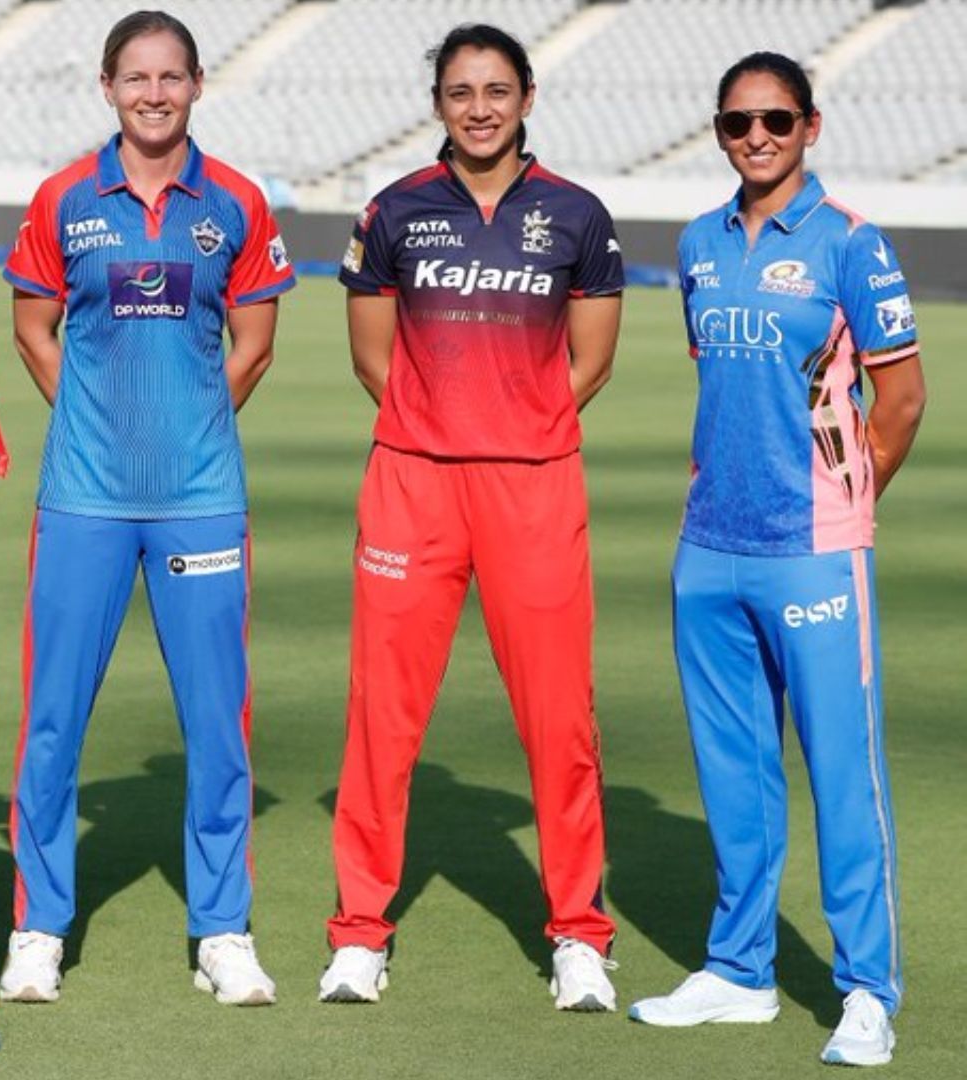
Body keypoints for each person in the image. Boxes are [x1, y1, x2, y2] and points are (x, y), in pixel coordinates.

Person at [628, 53, 925, 1068]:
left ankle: (866, 991)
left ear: (811, 126)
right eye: (738, 121)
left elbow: (902, 397)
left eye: (776, 119)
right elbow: (719, 374)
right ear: (719, 130)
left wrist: (847, 497)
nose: (757, 137)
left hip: (814, 555)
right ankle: (740, 972)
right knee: (735, 776)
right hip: (709, 548)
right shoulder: (700, 243)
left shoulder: (852, 243)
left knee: (844, 776)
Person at [321, 24, 624, 1012]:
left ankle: (580, 933)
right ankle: (359, 933)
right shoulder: (396, 210)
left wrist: (518, 426)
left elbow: (593, 360)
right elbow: (374, 357)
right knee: (383, 715)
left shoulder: (576, 214)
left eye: (497, 89)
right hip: (413, 483)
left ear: (528, 95)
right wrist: (438, 427)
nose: (480, 107)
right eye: (461, 91)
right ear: (439, 102)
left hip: (534, 486)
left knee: (558, 718)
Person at [0, 9, 294, 1007]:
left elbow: (252, 346)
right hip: (82, 500)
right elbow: (35, 325)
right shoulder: (64, 197)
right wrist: (98, 423)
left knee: (217, 724)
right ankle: (38, 927)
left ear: (198, 86)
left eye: (171, 78)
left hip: (202, 504)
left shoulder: (239, 202)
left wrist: (188, 431)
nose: (154, 94)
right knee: (51, 723)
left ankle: (222, 929)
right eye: (137, 78)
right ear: (108, 86)